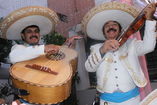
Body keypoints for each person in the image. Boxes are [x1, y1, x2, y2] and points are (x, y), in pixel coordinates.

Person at [0, 6, 81, 105]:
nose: (33, 34)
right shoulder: (18, 48)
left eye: (36, 31)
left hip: (49, 97)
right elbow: (14, 56)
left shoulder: (44, 52)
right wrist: (43, 48)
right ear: (22, 35)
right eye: (29, 31)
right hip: (26, 100)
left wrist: (67, 44)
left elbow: (58, 58)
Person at [83, 1, 157, 105]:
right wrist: (103, 50)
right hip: (107, 101)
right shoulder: (96, 48)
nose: (111, 27)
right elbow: (89, 68)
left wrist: (149, 20)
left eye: (114, 24)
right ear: (104, 33)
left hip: (133, 100)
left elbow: (149, 46)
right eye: (107, 26)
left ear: (121, 30)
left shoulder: (131, 44)